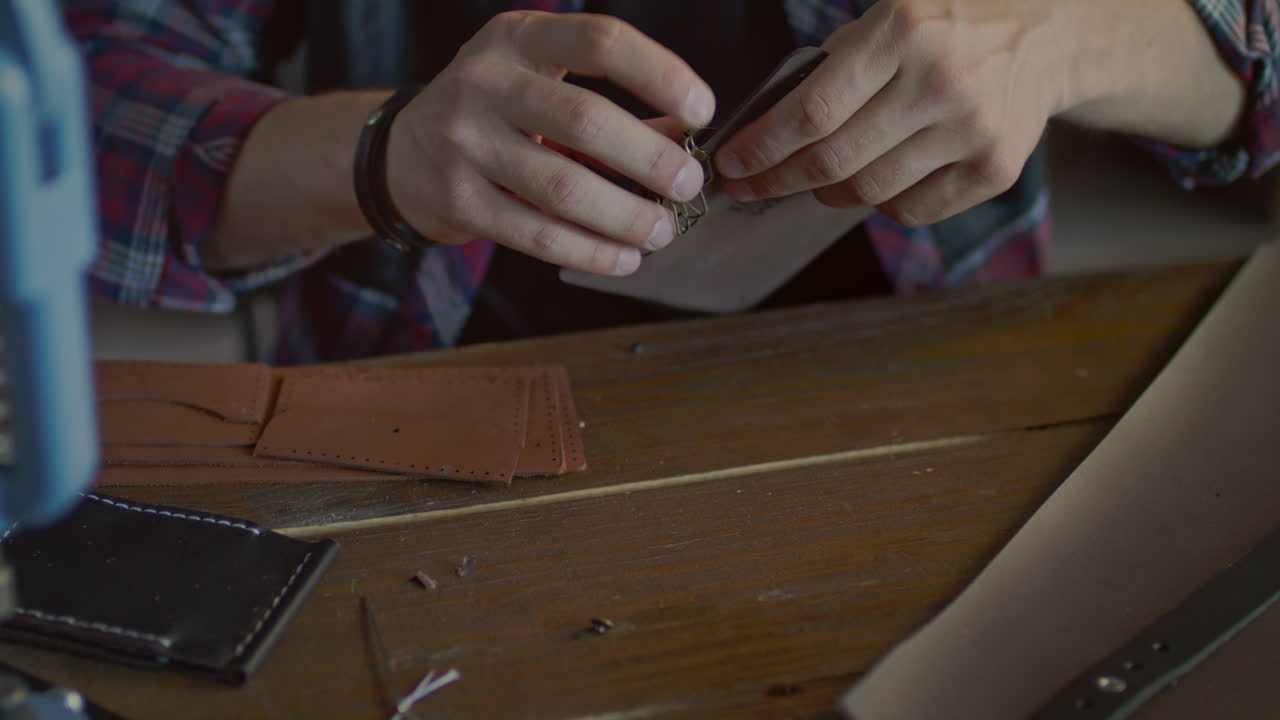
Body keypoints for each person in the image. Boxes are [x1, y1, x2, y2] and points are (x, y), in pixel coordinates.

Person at [63, 1, 1278, 363]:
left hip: (938, 401)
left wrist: (1073, 33)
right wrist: (379, 156)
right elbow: (79, 103)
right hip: (432, 433)